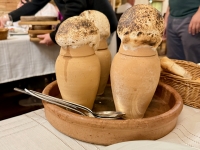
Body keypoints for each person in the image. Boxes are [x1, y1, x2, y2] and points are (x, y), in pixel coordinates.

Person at [0, 0, 118, 46]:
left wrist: (54, 36)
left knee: (92, 66)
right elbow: (35, 4)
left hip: (100, 26)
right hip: (87, 25)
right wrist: (8, 17)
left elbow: (75, 6)